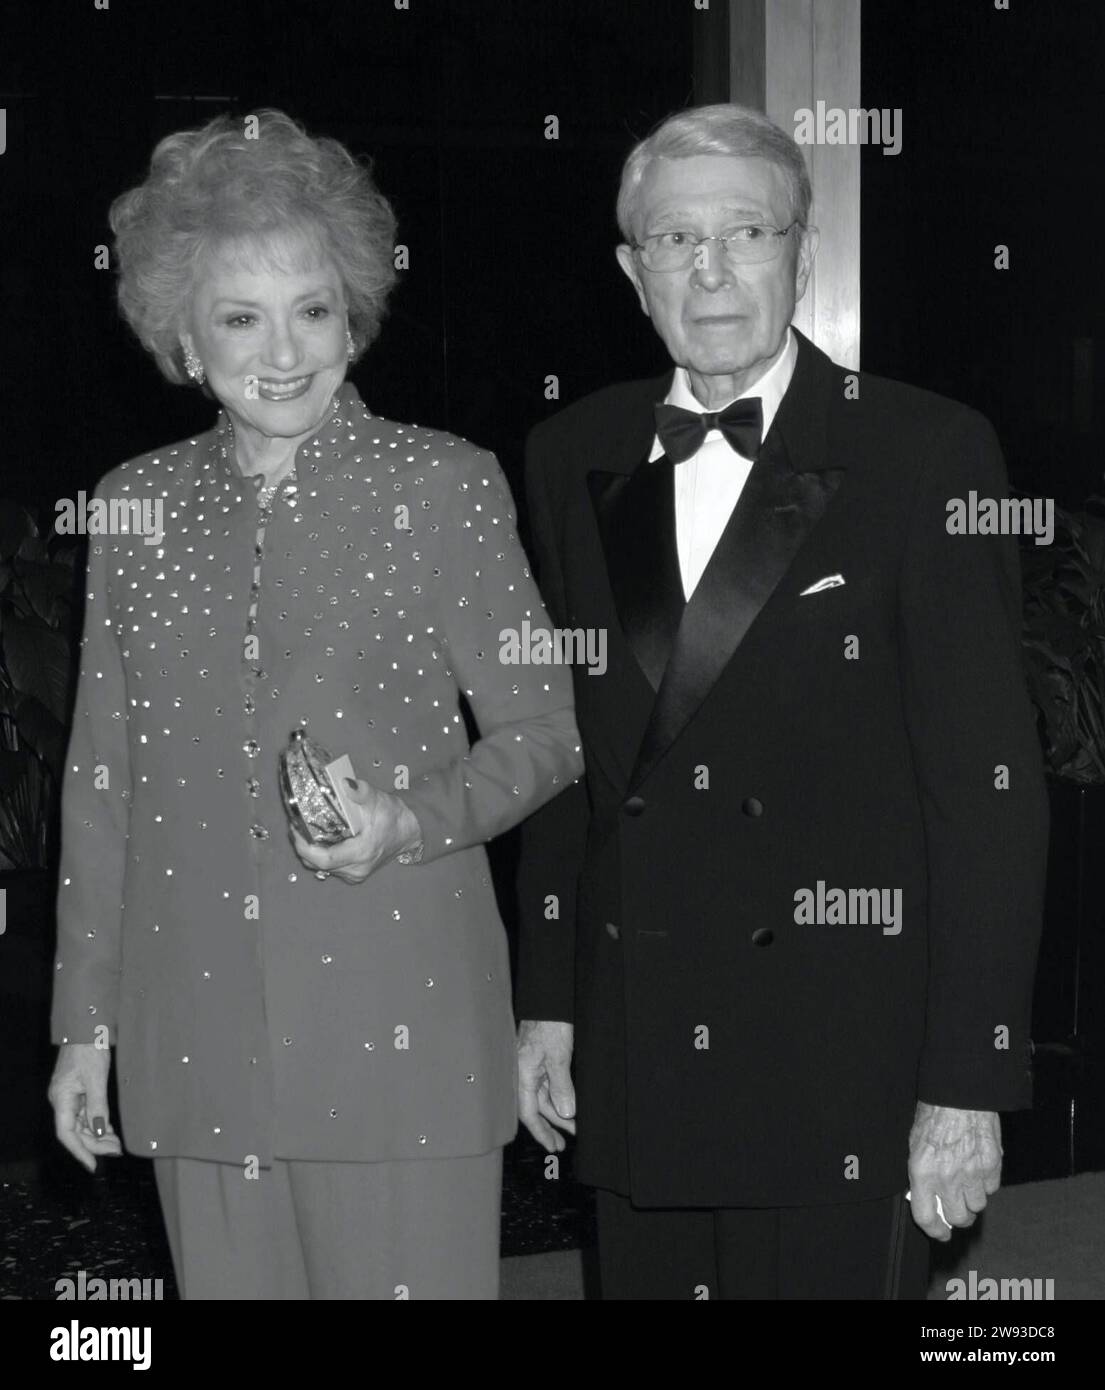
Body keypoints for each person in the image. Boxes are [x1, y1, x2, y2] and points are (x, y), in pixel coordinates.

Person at [514, 102, 1048, 1300]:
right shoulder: (569, 451)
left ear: (802, 252)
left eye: (745, 232)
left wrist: (967, 1082)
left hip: (841, 1055)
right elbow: (568, 751)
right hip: (642, 1036)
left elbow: (988, 793)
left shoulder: (924, 451)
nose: (709, 272)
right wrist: (547, 1000)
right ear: (629, 268)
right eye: (673, 240)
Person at [48, 109, 582, 1301]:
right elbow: (103, 779)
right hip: (194, 1043)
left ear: (354, 313)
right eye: (240, 316)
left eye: (312, 309)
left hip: (401, 1026)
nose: (281, 350)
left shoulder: (442, 484)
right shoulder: (131, 507)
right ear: (184, 337)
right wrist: (85, 1026)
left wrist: (408, 818)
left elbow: (548, 733)